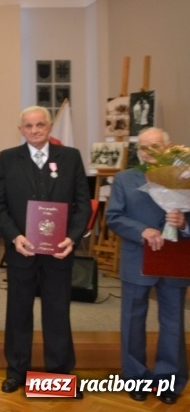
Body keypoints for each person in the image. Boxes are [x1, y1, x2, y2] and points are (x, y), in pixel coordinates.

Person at [0, 106, 91, 395]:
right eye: (28, 126)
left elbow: (83, 203)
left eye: (40, 125)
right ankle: (17, 371)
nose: (34, 130)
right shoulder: (8, 159)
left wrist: (72, 238)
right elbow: (0, 204)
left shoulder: (70, 158)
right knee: (18, 311)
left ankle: (59, 375)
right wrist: (14, 237)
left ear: (49, 127)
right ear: (20, 129)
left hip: (59, 251)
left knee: (57, 312)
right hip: (23, 250)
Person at [106, 127, 189, 405]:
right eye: (143, 147)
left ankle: (169, 380)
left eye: (155, 146)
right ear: (137, 150)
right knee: (132, 321)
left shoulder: (186, 178)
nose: (148, 151)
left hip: (174, 260)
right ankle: (135, 378)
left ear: (169, 147)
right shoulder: (124, 179)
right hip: (137, 258)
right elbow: (114, 217)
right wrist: (142, 230)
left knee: (173, 322)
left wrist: (184, 223)